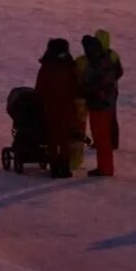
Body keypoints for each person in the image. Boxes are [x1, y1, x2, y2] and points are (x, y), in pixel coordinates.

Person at [35, 37, 81, 178]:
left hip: (50, 107)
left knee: (53, 138)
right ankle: (65, 167)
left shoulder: (47, 67)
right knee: (65, 138)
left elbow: (40, 88)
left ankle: (55, 167)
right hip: (67, 106)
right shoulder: (69, 67)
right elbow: (75, 86)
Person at [79, 33, 120, 177]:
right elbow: (119, 72)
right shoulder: (110, 57)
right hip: (108, 100)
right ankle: (105, 167)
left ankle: (105, 168)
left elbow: (87, 83)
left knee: (101, 137)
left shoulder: (92, 65)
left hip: (98, 104)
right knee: (104, 136)